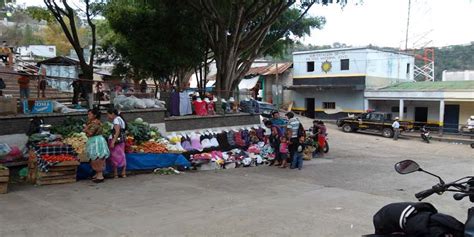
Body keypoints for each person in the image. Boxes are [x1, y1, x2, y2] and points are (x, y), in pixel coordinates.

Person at [84, 109, 110, 183]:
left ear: (94, 115)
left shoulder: (95, 123)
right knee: (95, 157)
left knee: (97, 157)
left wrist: (86, 129)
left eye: (90, 114)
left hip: (96, 141)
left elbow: (90, 133)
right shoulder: (93, 122)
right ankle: (97, 173)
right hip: (95, 140)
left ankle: (100, 175)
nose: (88, 116)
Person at [107, 108, 127, 178]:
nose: (108, 116)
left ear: (112, 114)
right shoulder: (121, 119)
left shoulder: (116, 120)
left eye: (108, 114)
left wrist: (113, 141)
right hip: (121, 140)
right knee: (122, 155)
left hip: (116, 140)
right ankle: (123, 172)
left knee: (115, 156)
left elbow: (117, 131)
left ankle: (116, 173)